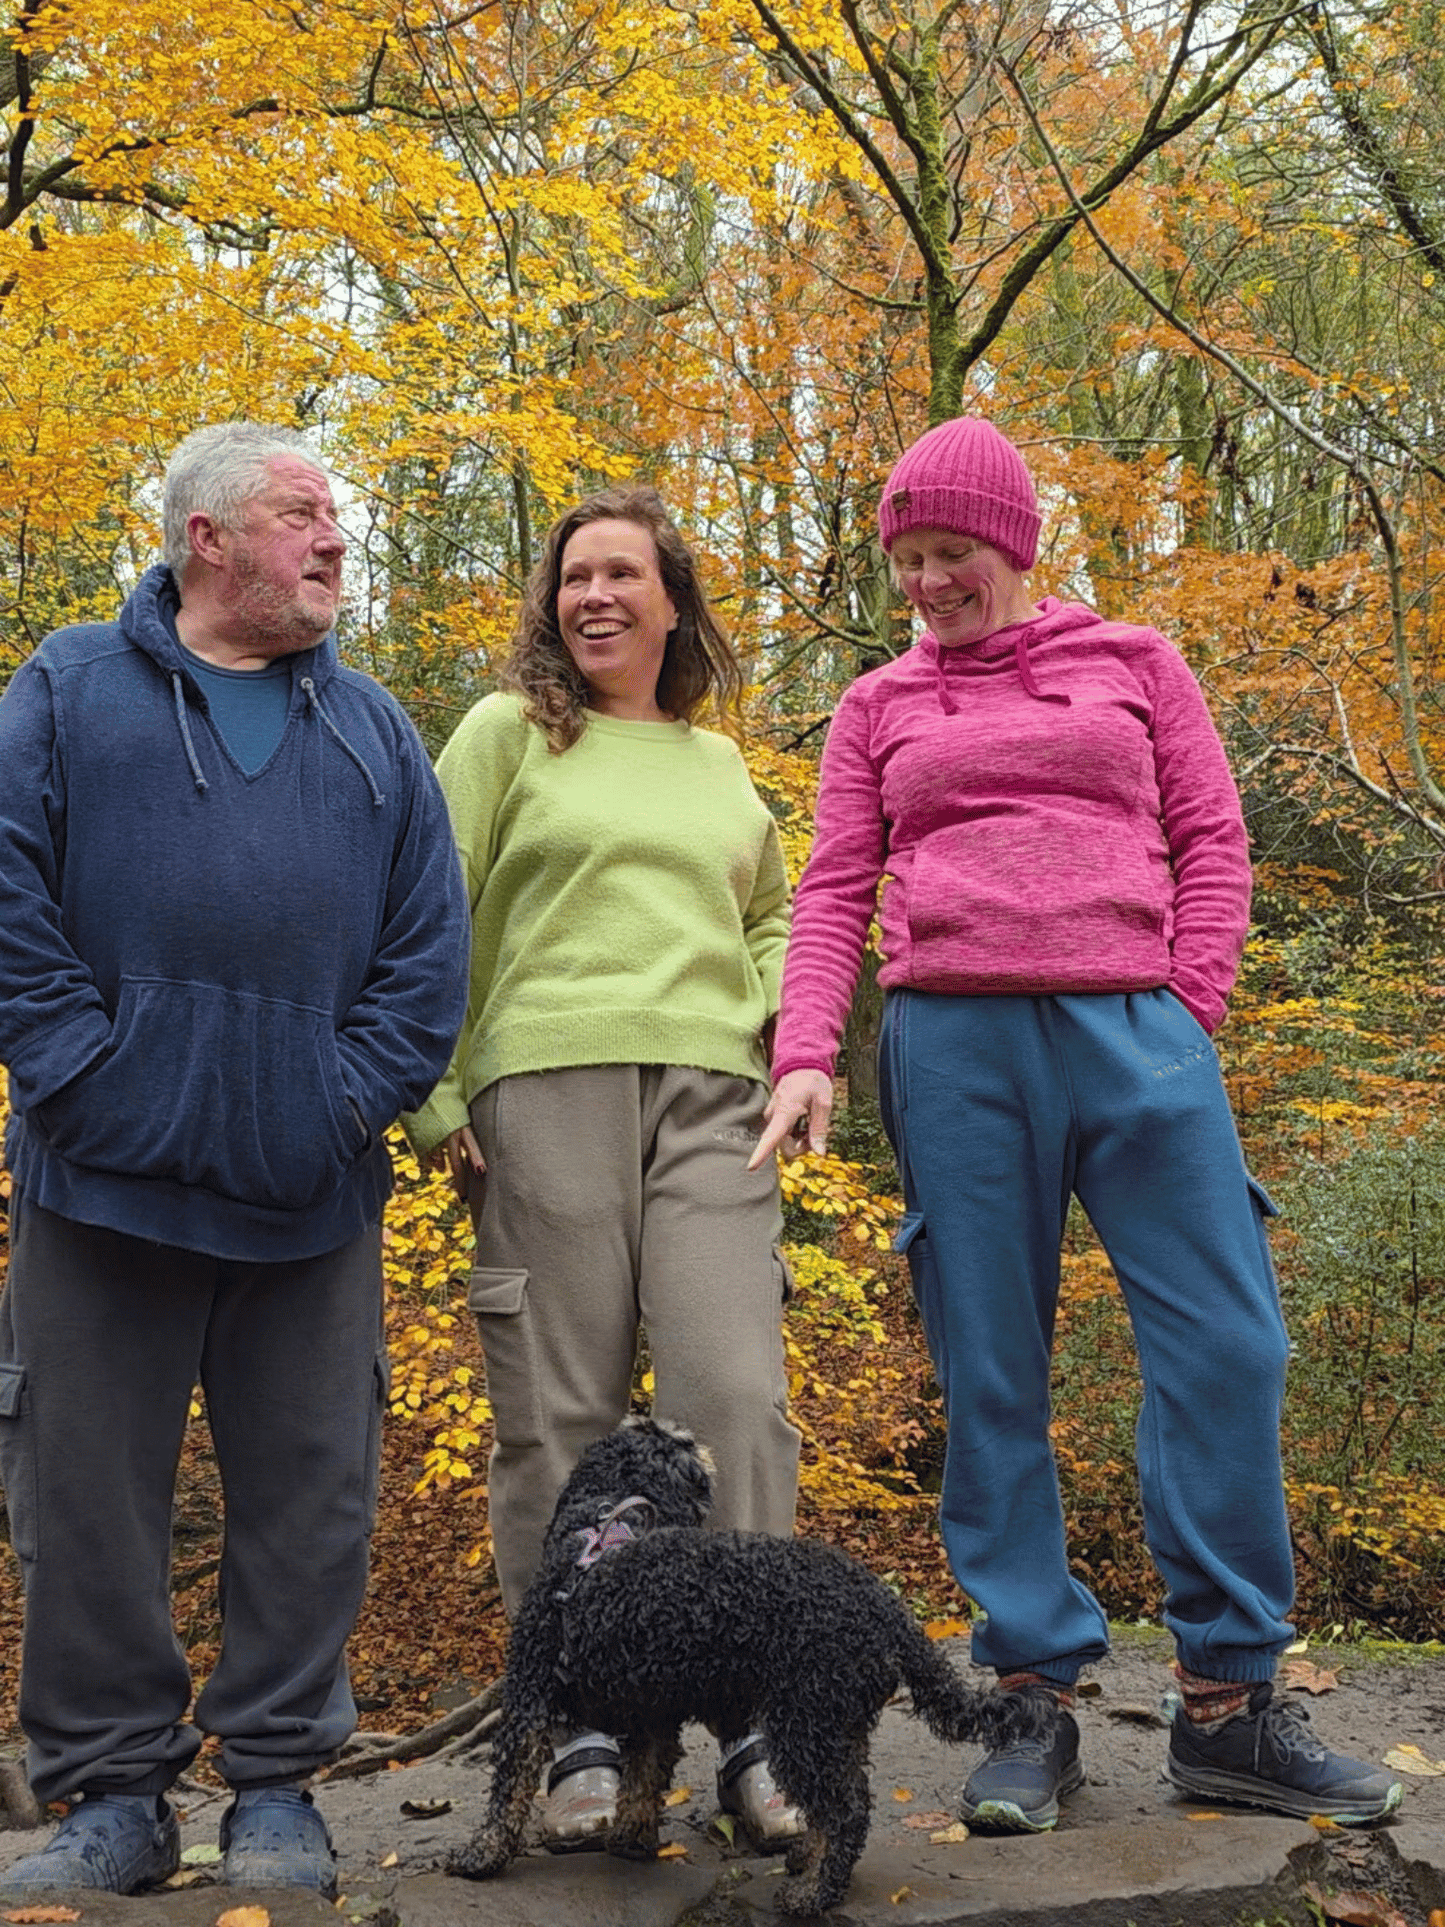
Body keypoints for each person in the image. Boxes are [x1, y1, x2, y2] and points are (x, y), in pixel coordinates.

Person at [751, 416, 1402, 1835]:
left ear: (1015, 543)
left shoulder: (1136, 662)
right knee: (992, 1366)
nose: (929, 581)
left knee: (1229, 1344)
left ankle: (1227, 1704)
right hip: (954, 1046)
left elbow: (1213, 837)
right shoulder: (877, 703)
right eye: (908, 558)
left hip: (1136, 1032)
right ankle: (1030, 1699)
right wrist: (805, 1054)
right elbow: (835, 885)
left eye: (953, 551)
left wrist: (1186, 1011)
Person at [0, 423, 470, 1898]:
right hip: (100, 1185)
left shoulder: (376, 730)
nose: (335, 538)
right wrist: (85, 1078)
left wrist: (332, 1106)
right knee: (85, 1497)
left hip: (309, 1194)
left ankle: (275, 1788)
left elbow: (427, 959)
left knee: (313, 1497)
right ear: (204, 536)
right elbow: (3, 889)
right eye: (300, 513)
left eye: (335, 516)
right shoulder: (69, 688)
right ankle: (113, 1797)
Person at [402, 483, 803, 1850]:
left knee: (734, 1396)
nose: (595, 597)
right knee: (558, 1417)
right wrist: (434, 1091)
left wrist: (778, 1027)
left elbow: (778, 916)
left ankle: (751, 1725)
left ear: (672, 602)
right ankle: (578, 1728)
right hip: (542, 1086)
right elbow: (423, 908)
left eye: (624, 574)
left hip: (715, 1100)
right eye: (575, 577)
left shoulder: (715, 762)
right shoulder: (506, 733)